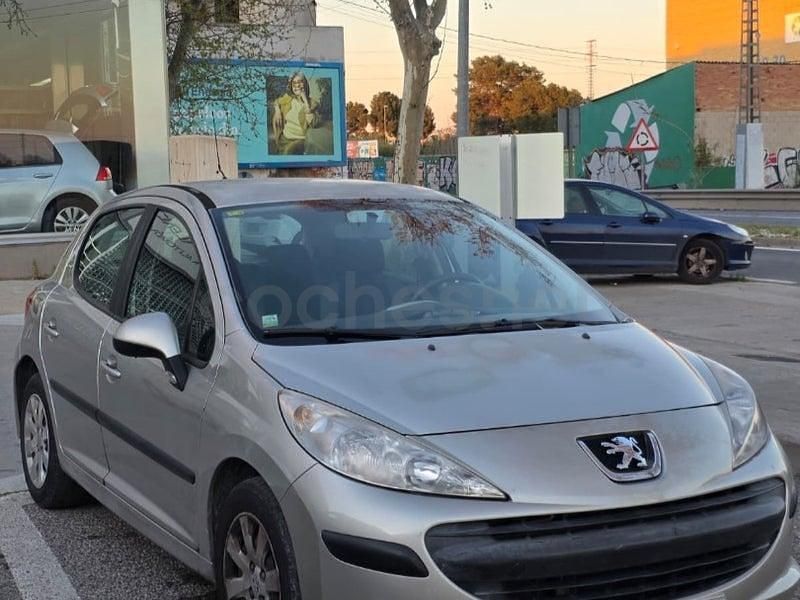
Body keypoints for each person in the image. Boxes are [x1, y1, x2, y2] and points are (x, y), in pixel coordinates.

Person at [271, 72, 319, 155]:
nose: (297, 85)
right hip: (285, 137)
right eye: (294, 83)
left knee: (288, 152)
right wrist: (277, 110)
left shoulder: (313, 103)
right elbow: (276, 102)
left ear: (305, 84)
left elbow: (313, 124)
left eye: (300, 82)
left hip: (301, 140)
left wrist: (305, 100)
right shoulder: (288, 98)